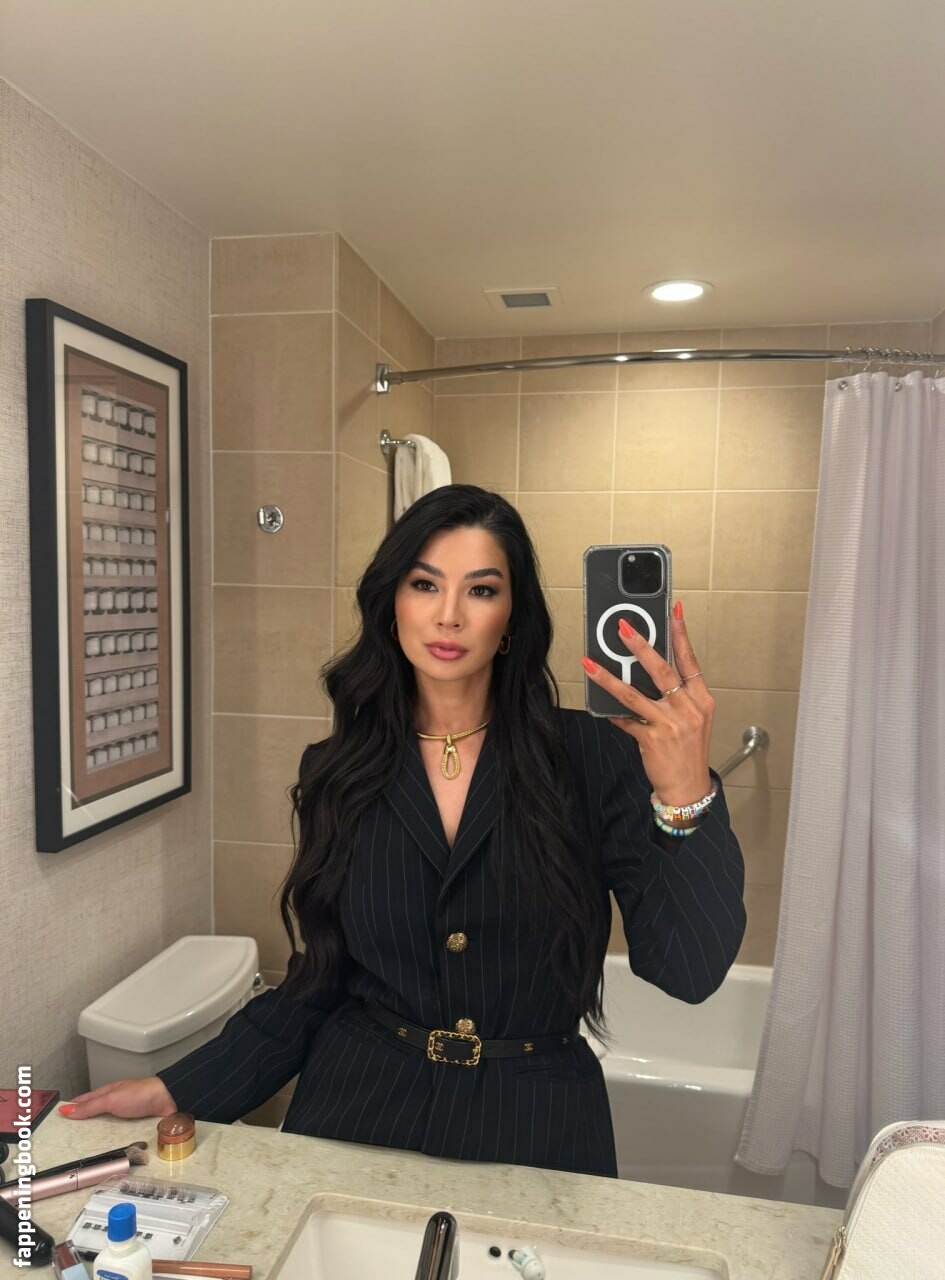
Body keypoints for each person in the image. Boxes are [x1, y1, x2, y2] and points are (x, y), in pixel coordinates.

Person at [62, 485, 746, 1177]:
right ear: (392, 604)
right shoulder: (338, 769)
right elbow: (319, 978)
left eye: (481, 590)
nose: (448, 614)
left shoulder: (594, 757)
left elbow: (688, 970)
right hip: (356, 1110)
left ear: (511, 618)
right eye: (425, 584)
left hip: (539, 1123)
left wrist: (686, 793)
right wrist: (181, 1086)